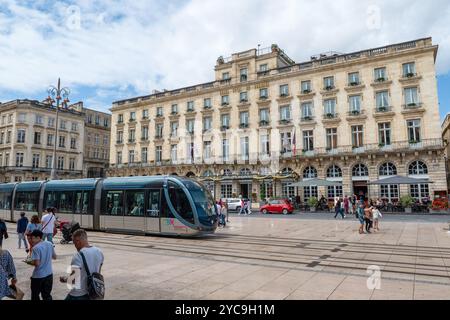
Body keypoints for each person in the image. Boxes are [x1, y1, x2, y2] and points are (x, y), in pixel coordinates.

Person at [60, 229, 104, 300]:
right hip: (93, 292)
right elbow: (98, 273)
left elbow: (73, 280)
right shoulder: (99, 252)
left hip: (78, 294)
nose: (75, 246)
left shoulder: (78, 256)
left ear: (78, 241)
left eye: (74, 243)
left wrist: (64, 279)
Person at [27, 229, 57, 300]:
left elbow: (37, 263)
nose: (32, 240)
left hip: (38, 276)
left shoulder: (36, 248)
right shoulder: (49, 243)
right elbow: (55, 257)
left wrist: (28, 261)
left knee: (35, 296)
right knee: (47, 296)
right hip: (49, 275)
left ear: (38, 238)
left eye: (33, 238)